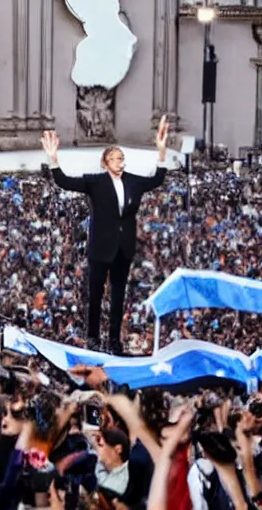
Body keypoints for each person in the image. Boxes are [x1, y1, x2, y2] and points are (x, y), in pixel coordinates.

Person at [41, 116, 170, 354]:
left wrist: (161, 151)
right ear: (105, 163)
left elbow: (157, 179)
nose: (120, 161)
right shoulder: (96, 182)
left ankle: (114, 340)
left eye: (122, 158)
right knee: (96, 293)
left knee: (119, 296)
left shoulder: (133, 181)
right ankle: (92, 337)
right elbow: (64, 181)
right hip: (101, 246)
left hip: (124, 246)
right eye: (115, 158)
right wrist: (53, 158)